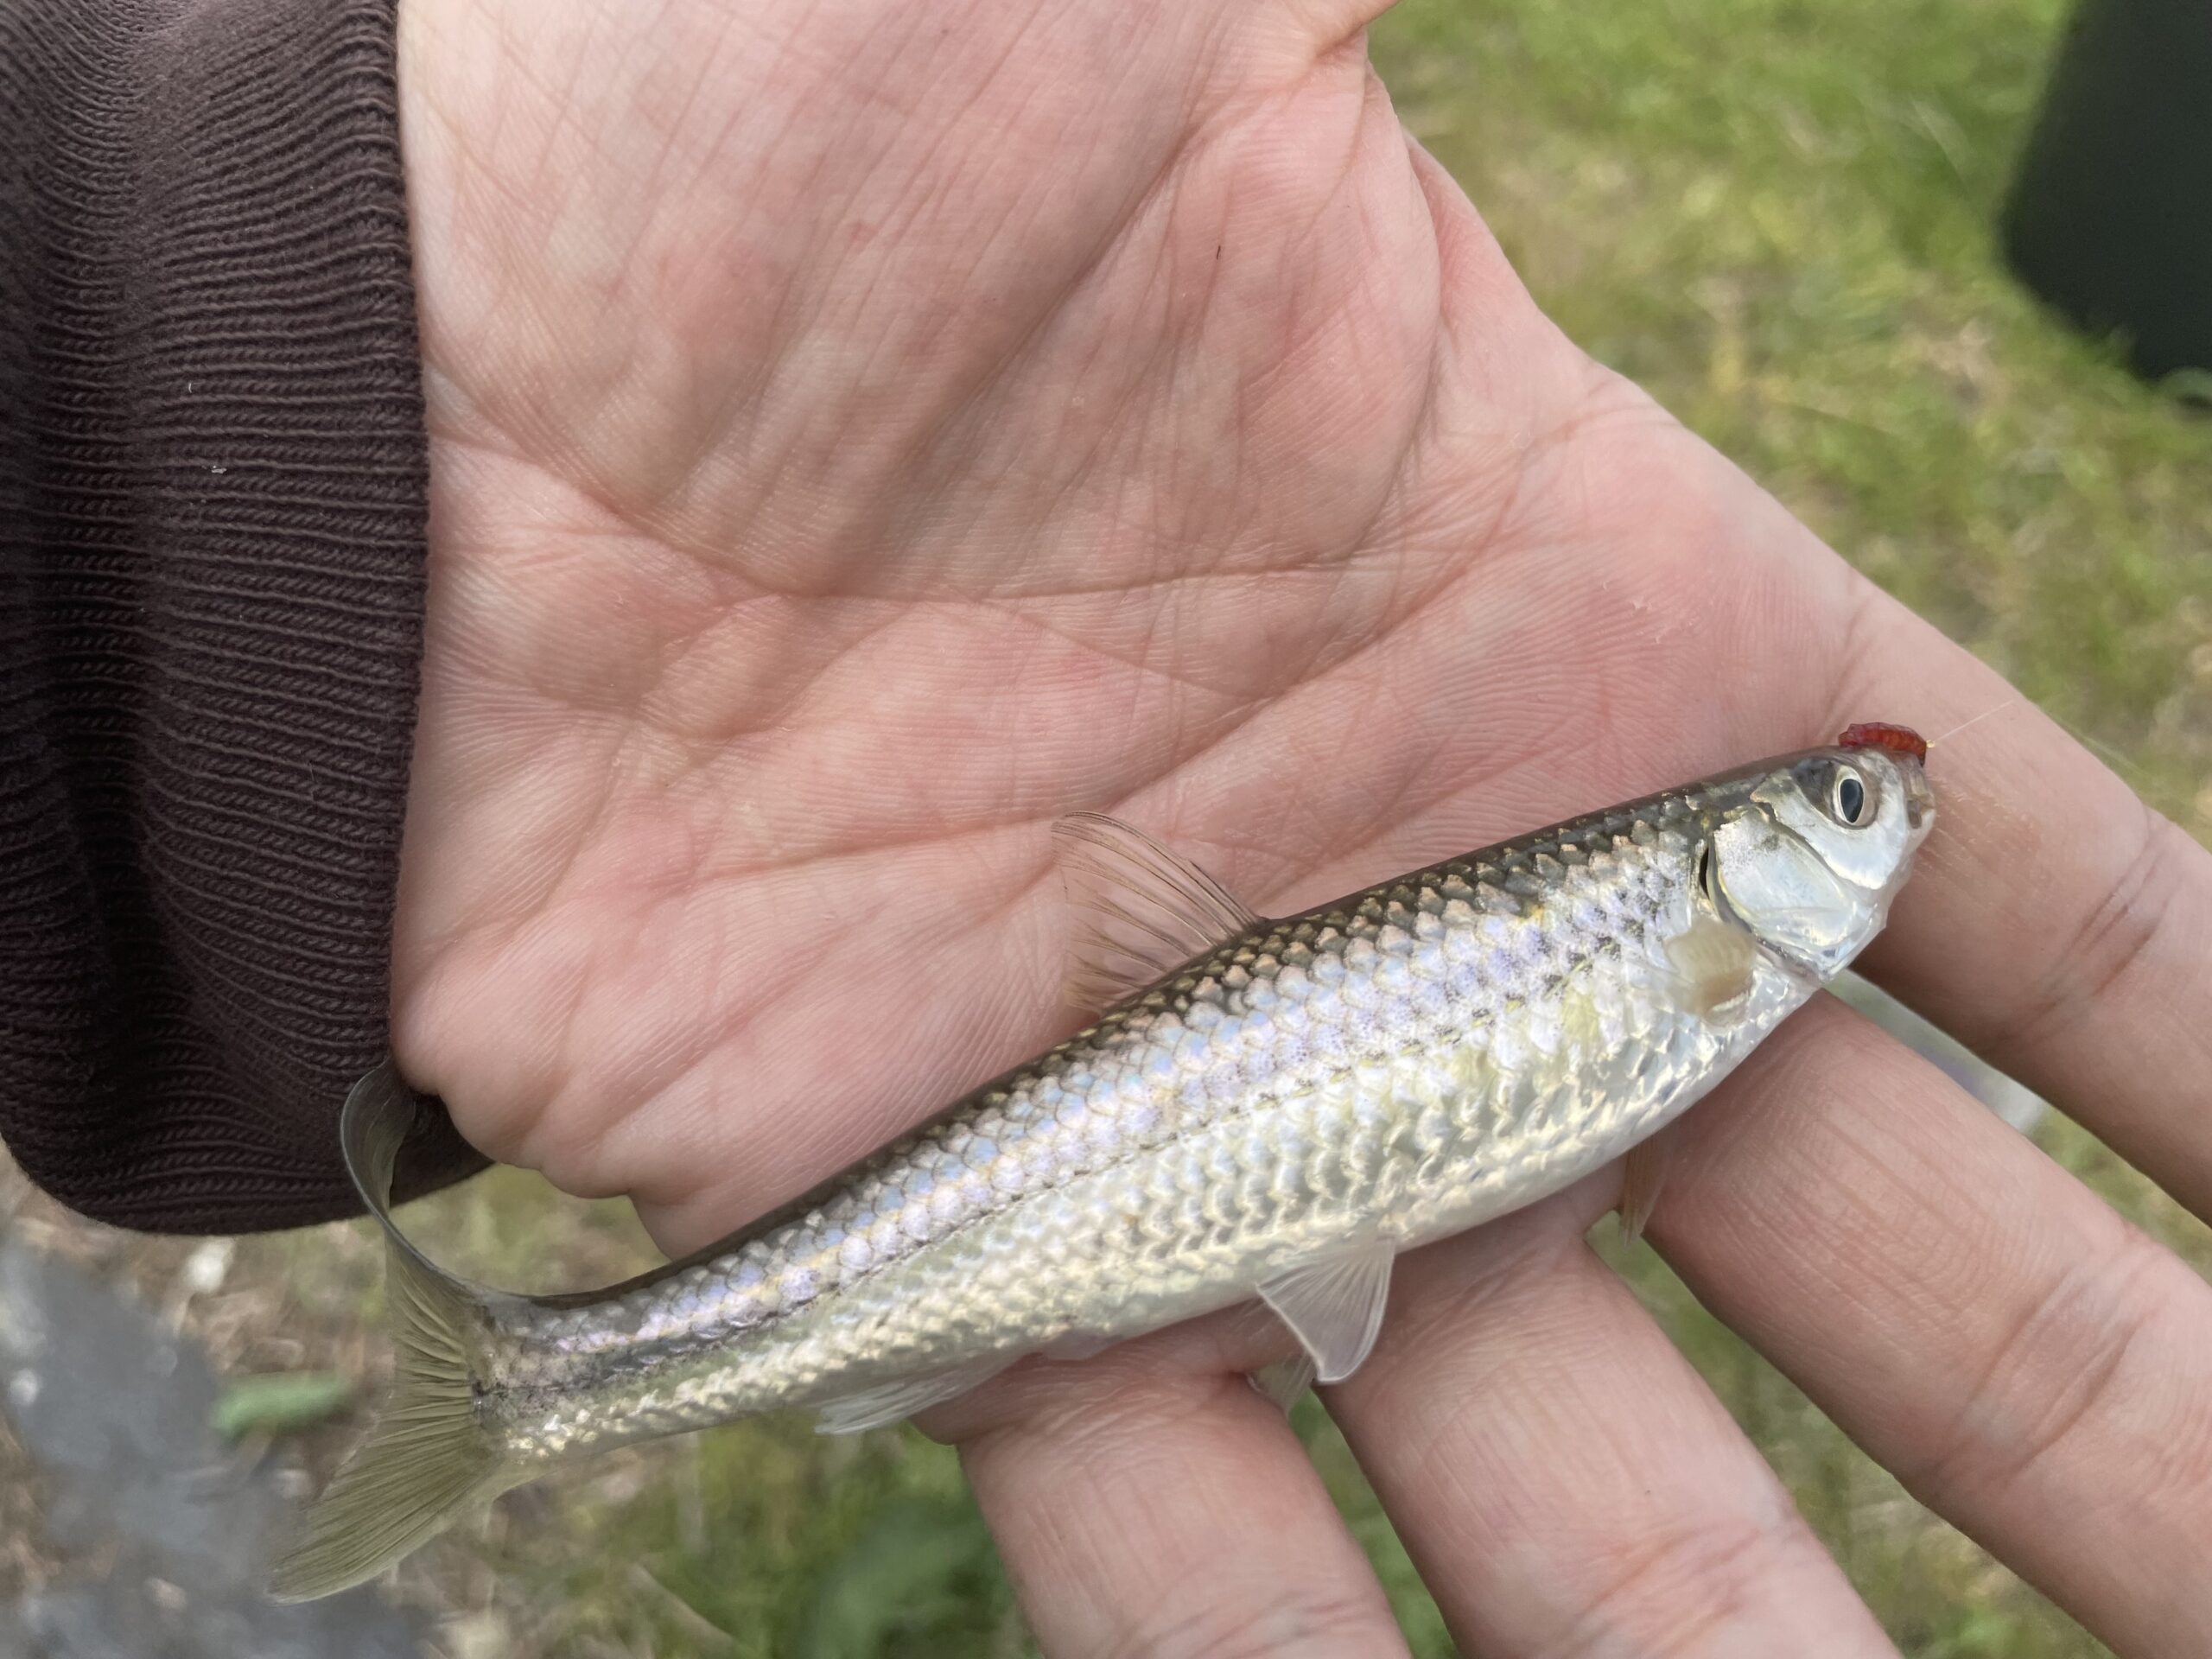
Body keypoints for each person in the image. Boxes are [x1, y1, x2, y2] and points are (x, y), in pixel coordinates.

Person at [3, 1, 2207, 1652]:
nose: (1873, 808)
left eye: (1839, 800)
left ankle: (569, 1376)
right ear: (1757, 861)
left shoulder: (1715, 931)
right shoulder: (1713, 917)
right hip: (1150, 1131)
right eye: (1838, 800)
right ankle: (556, 1381)